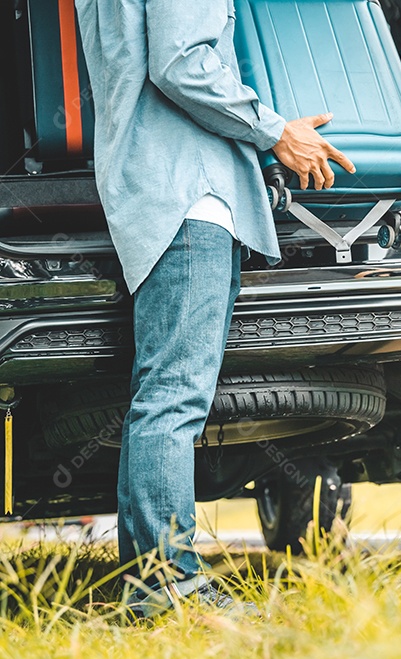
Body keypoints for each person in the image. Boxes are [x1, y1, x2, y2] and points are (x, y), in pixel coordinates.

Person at [76, 0, 354, 616]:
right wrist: (276, 130)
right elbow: (182, 62)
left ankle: (154, 580)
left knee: (161, 396)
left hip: (154, 187)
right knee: (172, 398)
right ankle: (167, 586)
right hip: (191, 195)